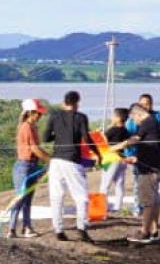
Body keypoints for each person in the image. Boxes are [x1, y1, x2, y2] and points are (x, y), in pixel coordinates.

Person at [43, 90, 96, 242]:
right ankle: (82, 227)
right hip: (72, 160)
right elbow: (87, 138)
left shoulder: (54, 116)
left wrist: (58, 135)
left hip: (56, 161)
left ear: (64, 102)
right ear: (77, 103)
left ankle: (58, 229)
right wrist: (97, 153)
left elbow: (45, 138)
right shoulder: (81, 117)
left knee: (56, 196)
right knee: (81, 197)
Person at [7, 99, 50, 238]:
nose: (40, 116)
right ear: (31, 113)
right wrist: (50, 159)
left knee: (28, 199)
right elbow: (35, 148)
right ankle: (11, 229)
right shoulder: (26, 127)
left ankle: (27, 228)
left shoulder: (33, 127)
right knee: (21, 198)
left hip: (32, 165)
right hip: (24, 166)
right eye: (38, 113)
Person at [125, 100, 160, 244]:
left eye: (134, 119)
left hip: (148, 169)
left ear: (137, 114)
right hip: (152, 165)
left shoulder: (146, 123)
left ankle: (144, 232)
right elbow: (149, 146)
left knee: (147, 201)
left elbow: (134, 140)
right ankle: (154, 230)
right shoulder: (153, 123)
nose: (135, 122)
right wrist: (135, 158)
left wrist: (117, 147)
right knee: (154, 200)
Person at [100, 108, 131, 215]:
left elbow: (103, 143)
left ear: (118, 118)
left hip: (111, 158)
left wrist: (102, 134)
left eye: (113, 116)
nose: (111, 118)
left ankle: (103, 208)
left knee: (105, 184)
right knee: (119, 184)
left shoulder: (112, 130)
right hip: (122, 158)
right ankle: (118, 207)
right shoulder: (126, 131)